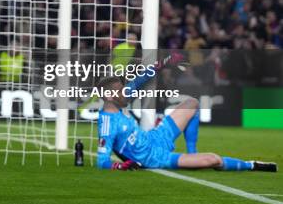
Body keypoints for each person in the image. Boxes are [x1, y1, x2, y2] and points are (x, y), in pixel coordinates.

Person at [96, 55, 277, 172]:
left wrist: (164, 62)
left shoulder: (118, 101)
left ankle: (192, 152)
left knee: (192, 103)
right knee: (213, 159)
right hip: (154, 157)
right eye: (121, 90)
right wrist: (119, 165)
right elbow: (102, 159)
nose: (126, 92)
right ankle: (251, 165)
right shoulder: (107, 123)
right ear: (108, 96)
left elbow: (140, 79)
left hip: (154, 138)